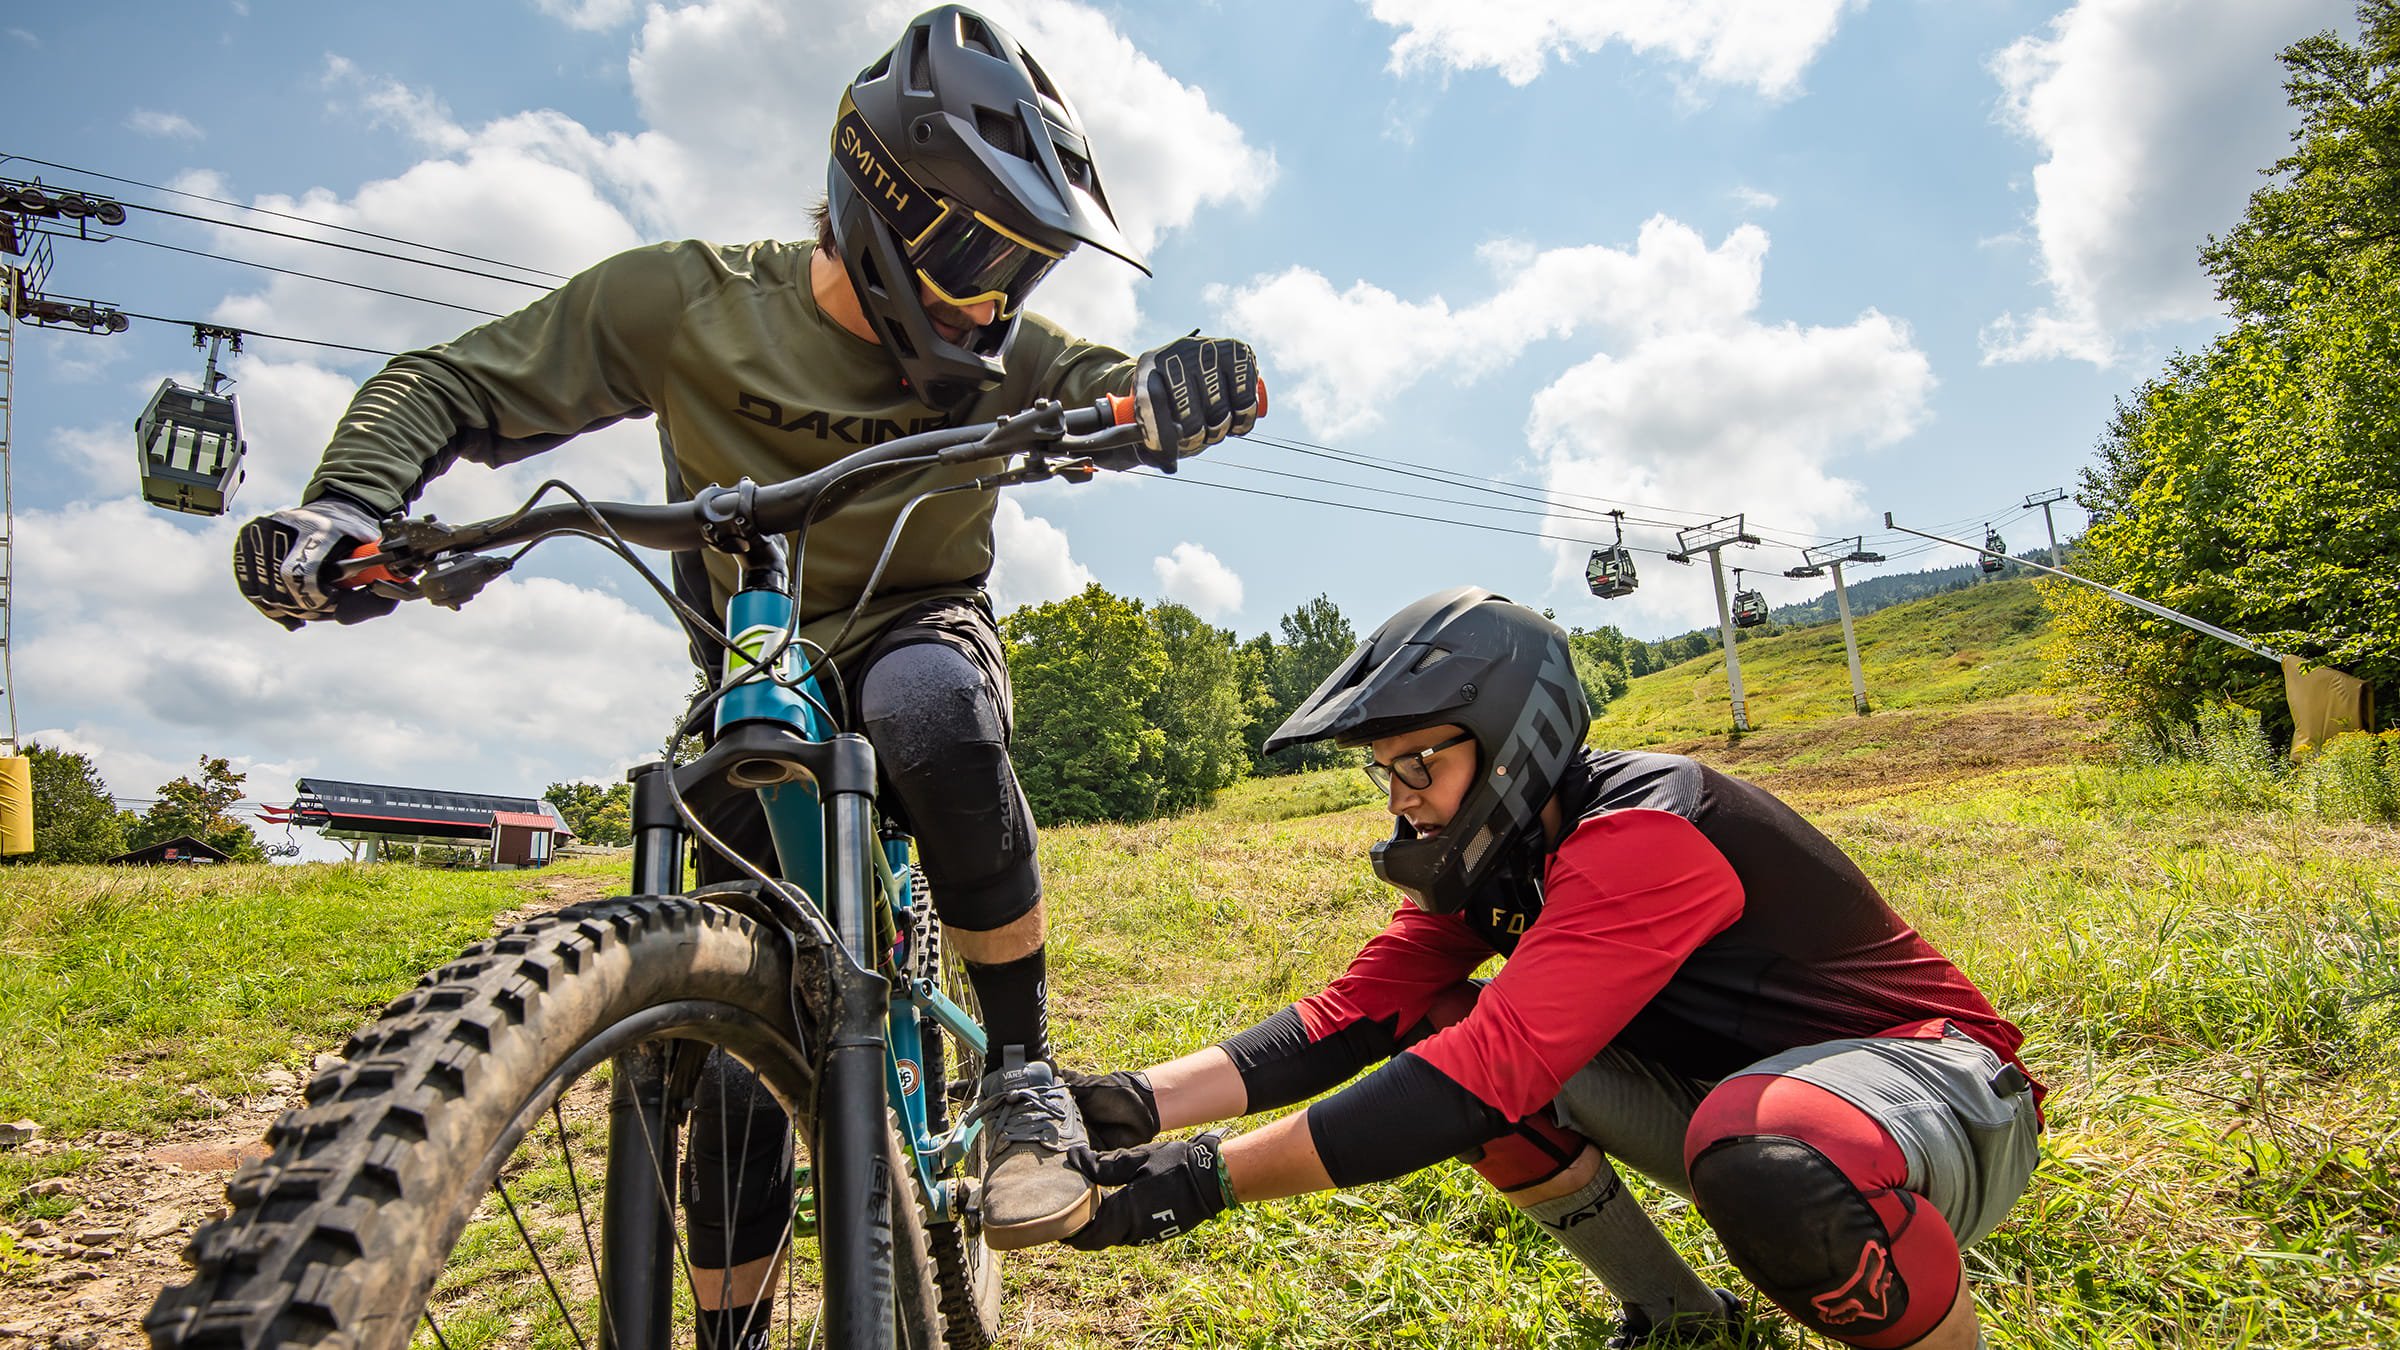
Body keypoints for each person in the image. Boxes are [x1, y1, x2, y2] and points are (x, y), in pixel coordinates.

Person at [229, 4, 1259, 1340]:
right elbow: (449, 383)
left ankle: (1019, 1069)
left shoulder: (1004, 356)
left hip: (918, 620)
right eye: (975, 256)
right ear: (884, 205)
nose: (996, 301)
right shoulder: (686, 302)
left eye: (1025, 270)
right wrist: (354, 507)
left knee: (931, 711)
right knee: (717, 1070)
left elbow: (1113, 384)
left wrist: (1178, 387)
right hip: (758, 661)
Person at [1058, 587, 2042, 1350]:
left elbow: (1494, 1066)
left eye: (1418, 765)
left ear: (1507, 739)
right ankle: (1682, 1317)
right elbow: (1352, 1017)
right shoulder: (1506, 857)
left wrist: (1194, 1182)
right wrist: (1125, 1106)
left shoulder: (1644, 831)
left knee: (1762, 1157)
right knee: (1445, 1027)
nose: (1399, 801)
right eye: (1382, 772)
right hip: (1740, 1104)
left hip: (1939, 1094)